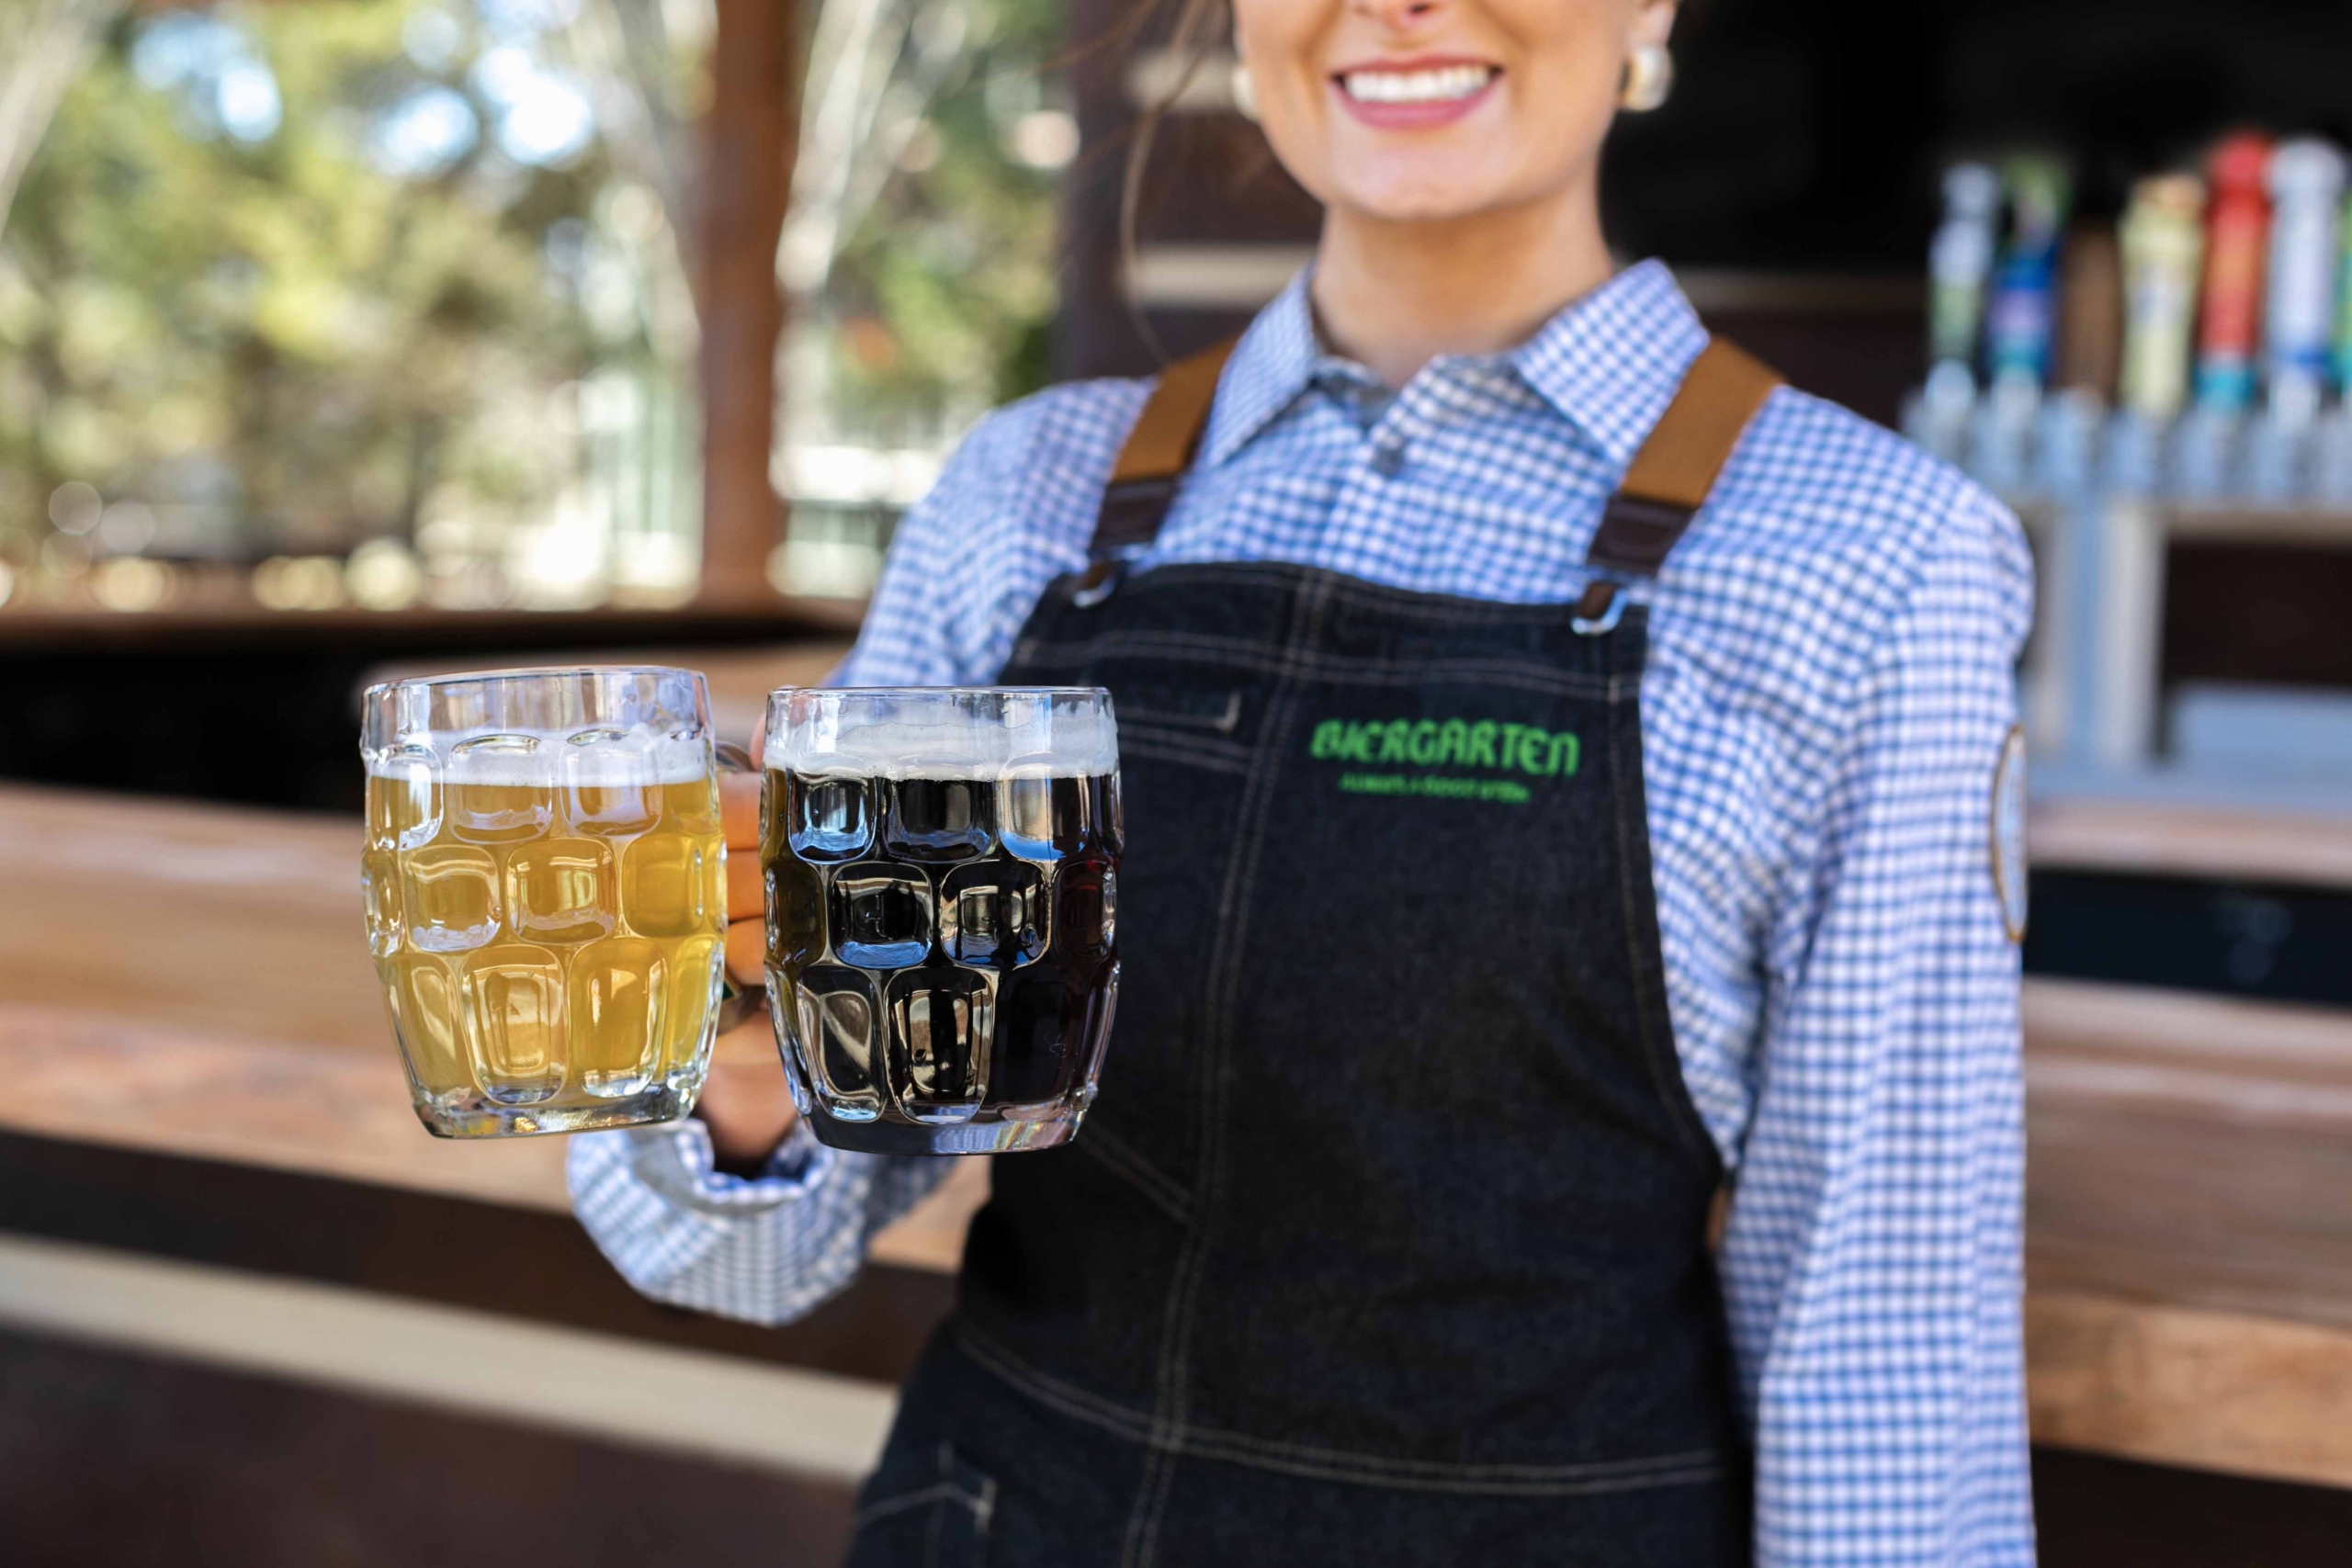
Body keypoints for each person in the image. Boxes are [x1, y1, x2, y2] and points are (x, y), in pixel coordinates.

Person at [569, 0, 2036, 1559]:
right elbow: (751, 1253)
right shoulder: (1025, 501)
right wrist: (736, 1054)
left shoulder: (1882, 562)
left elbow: (1883, 1325)